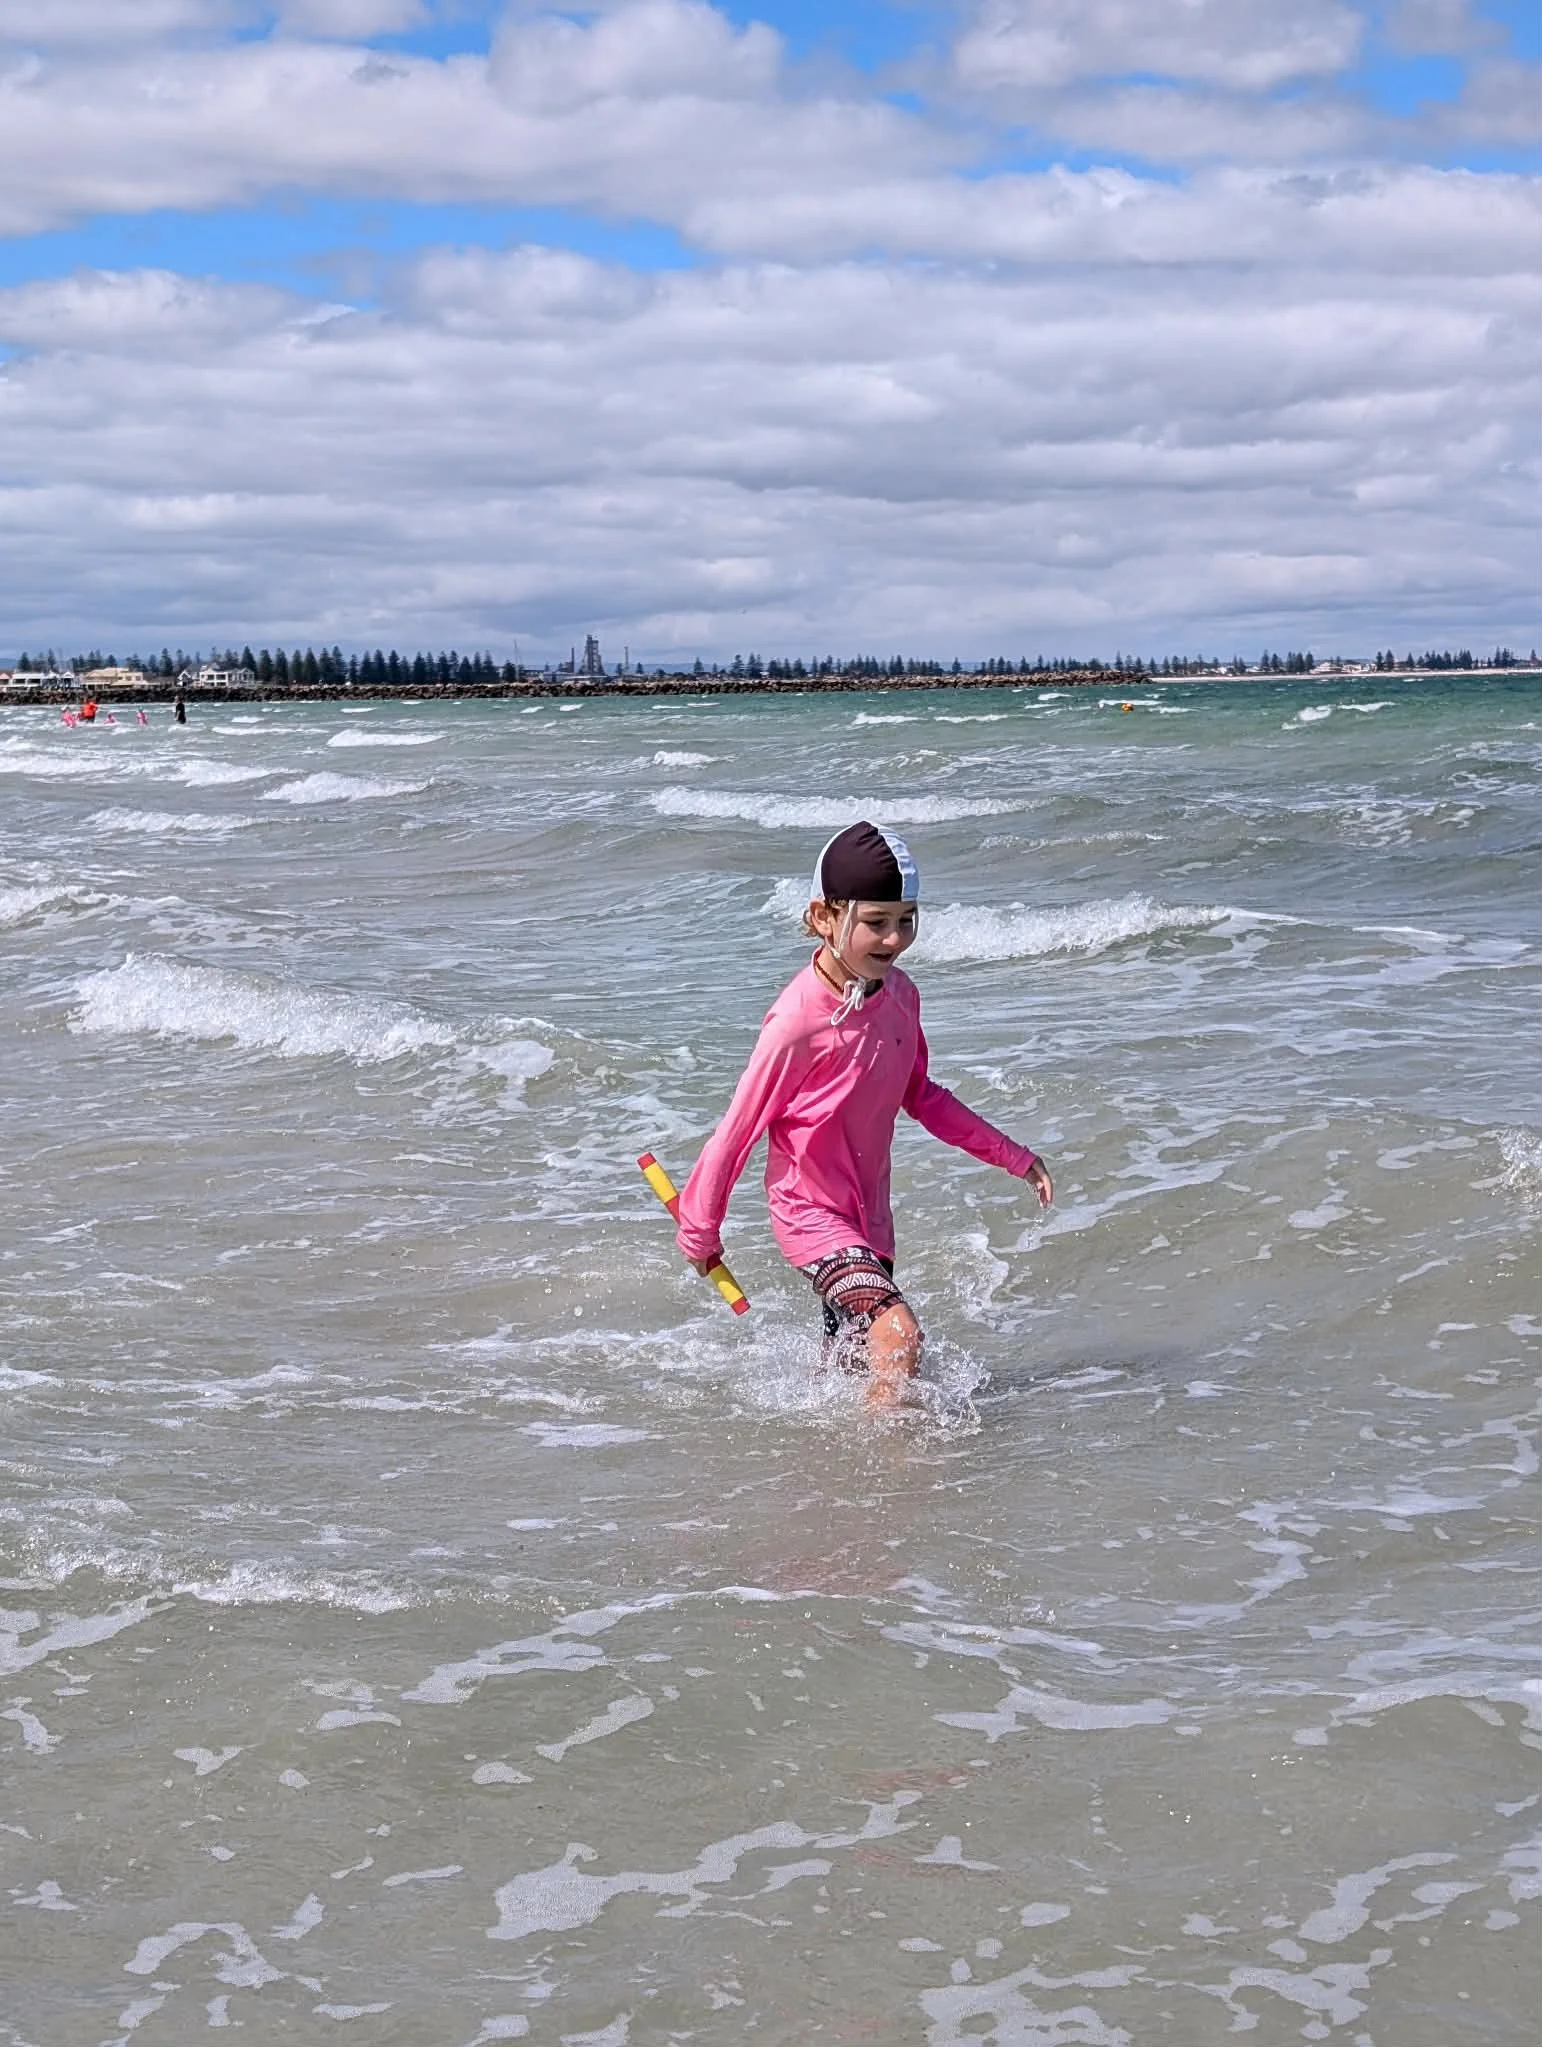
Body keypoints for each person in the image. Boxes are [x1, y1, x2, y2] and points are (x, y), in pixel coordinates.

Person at [674, 821, 1053, 1408]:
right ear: (824, 917)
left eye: (906, 919)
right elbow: (740, 1126)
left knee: (853, 1366)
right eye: (876, 922)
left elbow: (921, 1094)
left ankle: (839, 1479)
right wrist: (700, 1228)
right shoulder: (797, 1023)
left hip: (870, 1221)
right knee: (898, 1336)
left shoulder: (900, 995)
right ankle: (897, 1480)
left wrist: (1014, 1157)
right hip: (810, 1219)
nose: (895, 938)